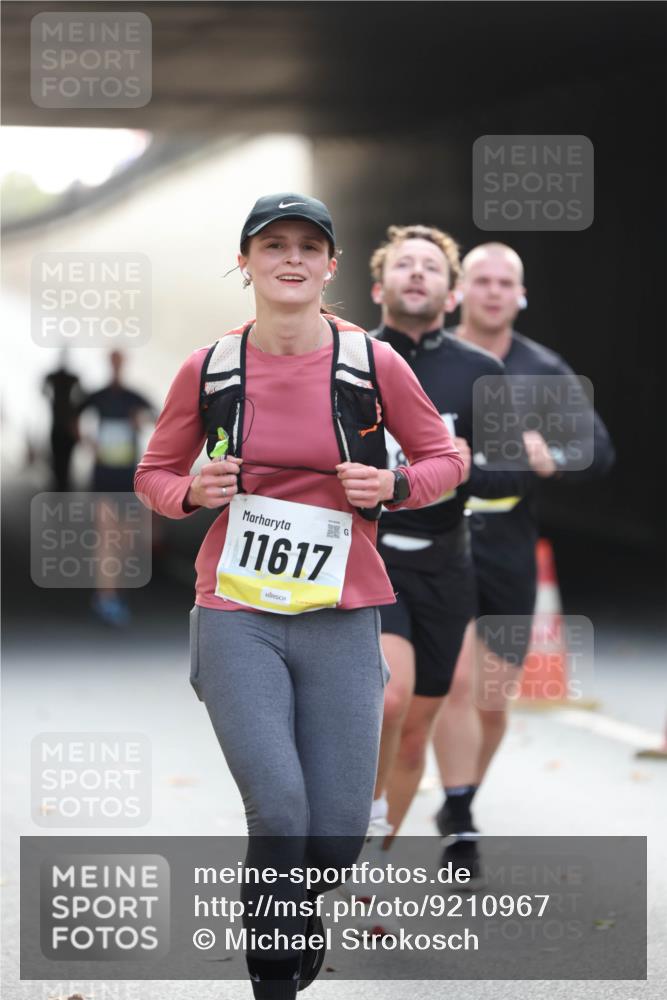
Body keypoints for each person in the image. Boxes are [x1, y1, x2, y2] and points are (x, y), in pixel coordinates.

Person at [134, 194, 465, 998]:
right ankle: (272, 973)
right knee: (279, 813)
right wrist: (193, 493)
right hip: (236, 614)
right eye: (271, 245)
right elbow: (152, 474)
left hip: (342, 614)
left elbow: (446, 460)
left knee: (336, 832)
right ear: (243, 262)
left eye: (307, 247)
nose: (290, 259)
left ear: (331, 267)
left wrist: (391, 482)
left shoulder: (371, 364)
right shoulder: (209, 367)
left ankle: (293, 911)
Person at [432, 242, 615, 843]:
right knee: (454, 683)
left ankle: (461, 797)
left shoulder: (543, 368)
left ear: (521, 294)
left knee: (490, 698)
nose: (491, 291)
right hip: (437, 538)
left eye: (503, 283)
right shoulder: (429, 359)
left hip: (507, 542)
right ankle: (460, 816)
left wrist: (552, 457)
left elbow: (599, 450)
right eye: (480, 280)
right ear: (458, 292)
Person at [365, 226, 534, 851]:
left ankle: (374, 868)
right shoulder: (351, 361)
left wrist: (463, 460)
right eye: (403, 265)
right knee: (389, 700)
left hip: (447, 566)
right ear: (379, 286)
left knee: (415, 730)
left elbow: (512, 471)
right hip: (370, 561)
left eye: (430, 267)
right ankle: (351, 834)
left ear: (452, 293)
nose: (417, 274)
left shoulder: (479, 371)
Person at [78, 350, 154, 626]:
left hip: (128, 477)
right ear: (108, 363)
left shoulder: (134, 397)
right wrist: (87, 442)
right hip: (104, 477)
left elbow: (158, 417)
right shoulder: (98, 397)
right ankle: (106, 596)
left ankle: (113, 591)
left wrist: (140, 420)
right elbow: (73, 416)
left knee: (124, 540)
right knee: (106, 537)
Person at [42, 349, 82, 491]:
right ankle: (60, 483)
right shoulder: (66, 378)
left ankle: (62, 484)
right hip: (61, 424)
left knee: (62, 457)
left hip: (63, 424)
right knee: (59, 457)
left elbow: (43, 390)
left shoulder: (64, 377)